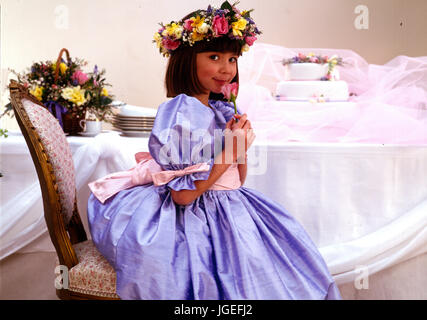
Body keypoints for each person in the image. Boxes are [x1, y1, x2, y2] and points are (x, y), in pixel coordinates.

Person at [87, 1, 342, 300]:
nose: (226, 68)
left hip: (227, 203)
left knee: (286, 259)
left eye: (232, 59)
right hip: (194, 213)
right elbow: (183, 196)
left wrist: (240, 144)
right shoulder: (182, 111)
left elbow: (237, 180)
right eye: (214, 56)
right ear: (186, 60)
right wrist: (231, 149)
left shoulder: (220, 109)